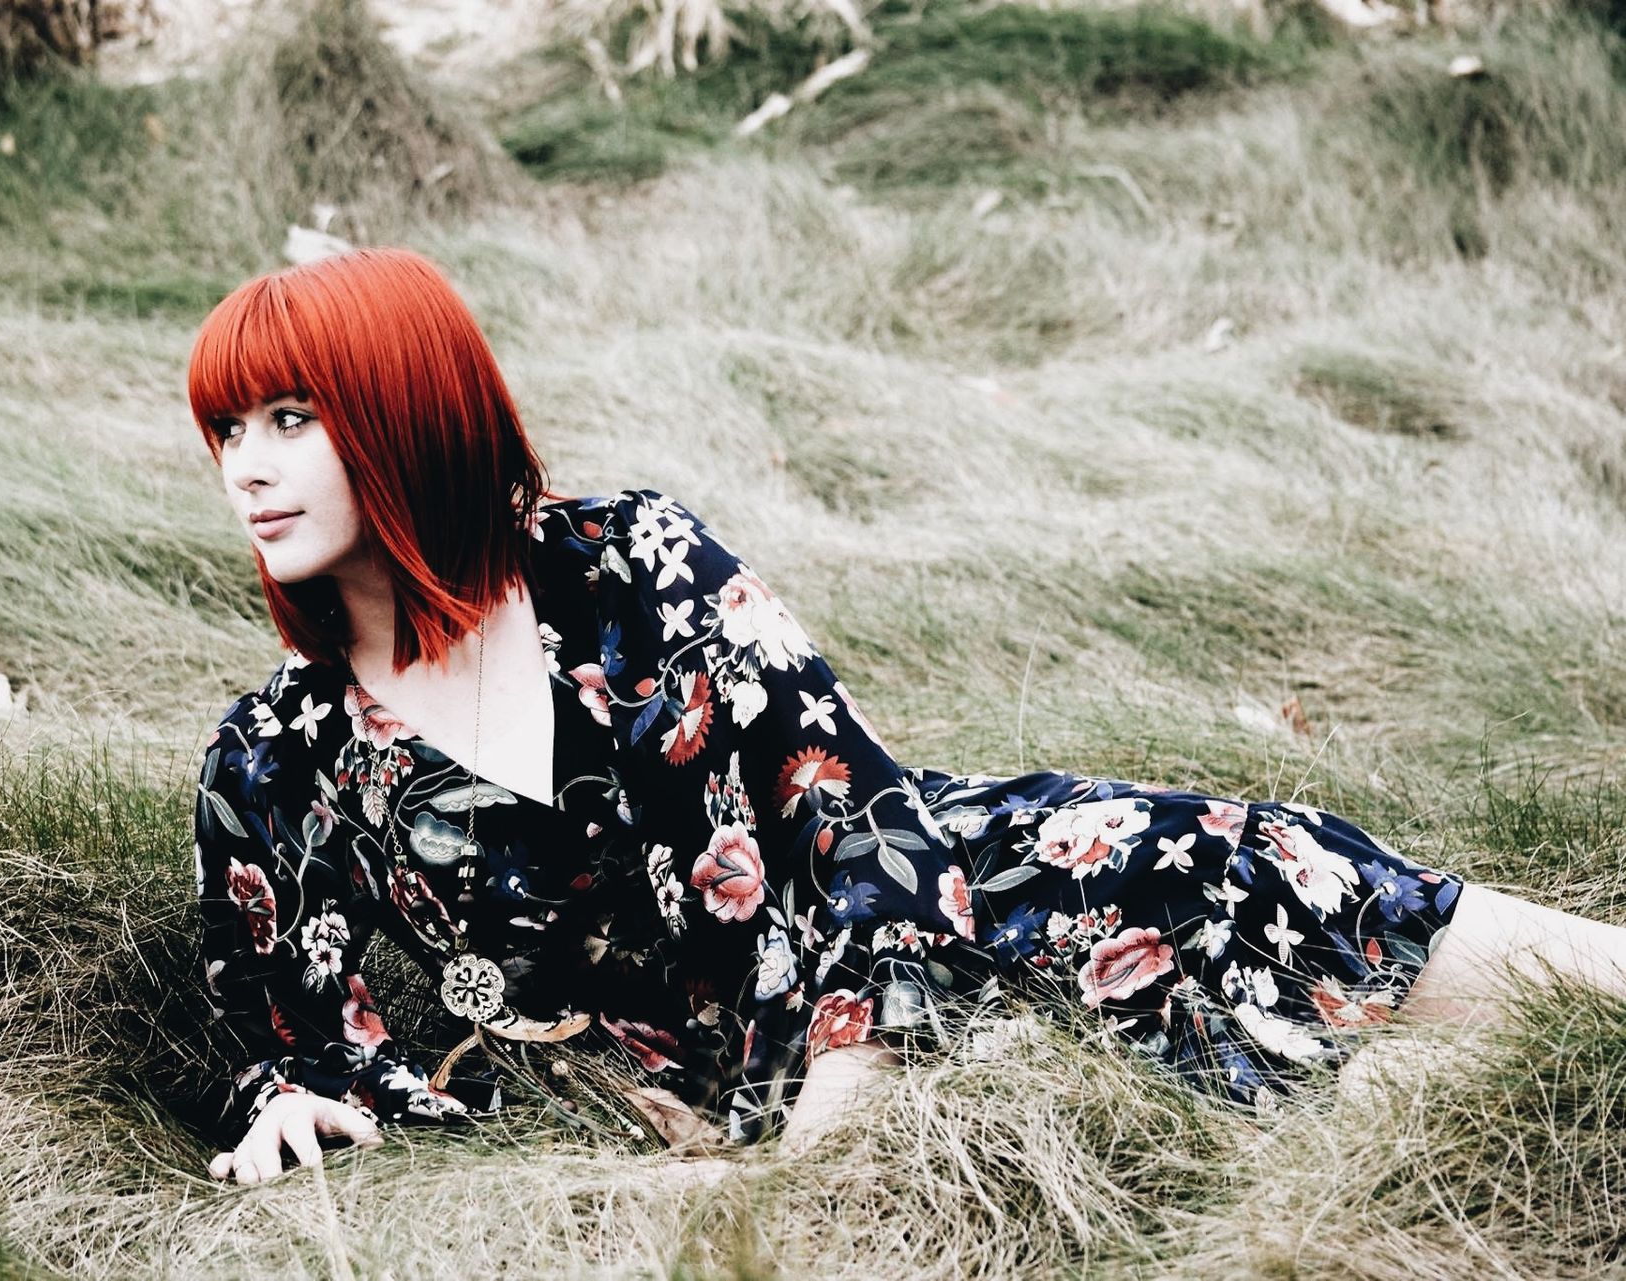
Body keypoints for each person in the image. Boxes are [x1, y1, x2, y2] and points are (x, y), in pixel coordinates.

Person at [185, 248, 1626, 1186]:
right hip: (712, 1095)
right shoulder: (272, 762)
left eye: (292, 416)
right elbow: (294, 1032)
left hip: (943, 922)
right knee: (1258, 1130)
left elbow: (852, 814)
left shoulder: (628, 560)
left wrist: (843, 1097)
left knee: (1234, 877)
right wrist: (297, 1101)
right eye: (228, 429)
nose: (248, 465)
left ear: (408, 406)